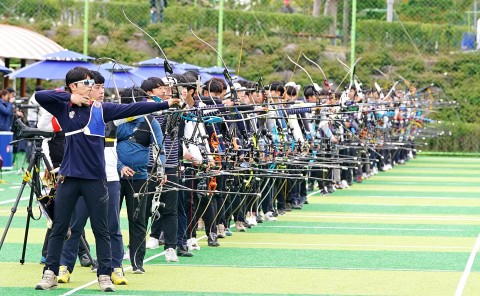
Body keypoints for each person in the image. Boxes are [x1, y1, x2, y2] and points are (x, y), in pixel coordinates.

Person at [34, 66, 179, 291]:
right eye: (87, 83)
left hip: (95, 180)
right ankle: (50, 273)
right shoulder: (64, 108)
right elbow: (40, 95)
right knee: (60, 227)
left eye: (93, 84)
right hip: (69, 178)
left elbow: (133, 107)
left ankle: (104, 275)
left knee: (102, 229)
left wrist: (165, 103)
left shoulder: (101, 109)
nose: (92, 87)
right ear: (74, 86)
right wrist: (70, 97)